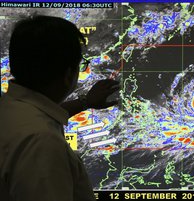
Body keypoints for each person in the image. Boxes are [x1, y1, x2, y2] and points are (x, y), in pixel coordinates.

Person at [0, 15, 119, 200]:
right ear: (68, 74)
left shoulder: (11, 109)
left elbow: (41, 112)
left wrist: (85, 102)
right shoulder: (42, 142)